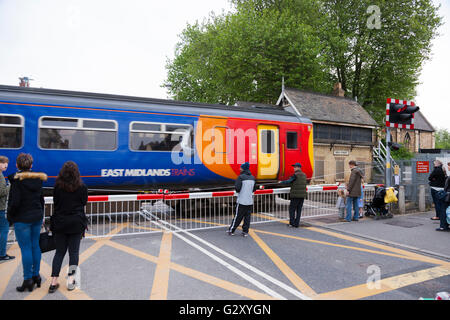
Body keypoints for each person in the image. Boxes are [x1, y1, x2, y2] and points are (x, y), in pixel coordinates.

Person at [7, 153, 47, 292]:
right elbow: (41, 199)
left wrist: (10, 216)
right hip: (36, 216)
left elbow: (15, 202)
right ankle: (37, 276)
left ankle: (27, 279)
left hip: (22, 219)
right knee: (35, 246)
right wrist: (42, 214)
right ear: (31, 165)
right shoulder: (38, 180)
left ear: (17, 165)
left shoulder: (16, 181)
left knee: (25, 249)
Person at [49, 161, 88, 293]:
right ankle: (71, 280)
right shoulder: (82, 187)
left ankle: (53, 282)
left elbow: (56, 203)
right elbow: (84, 202)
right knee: (74, 253)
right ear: (76, 173)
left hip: (60, 222)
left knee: (59, 252)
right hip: (76, 223)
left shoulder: (57, 187)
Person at [227, 162, 256, 237]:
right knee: (247, 217)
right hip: (249, 201)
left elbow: (237, 188)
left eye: (241, 167)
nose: (239, 169)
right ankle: (245, 232)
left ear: (243, 168)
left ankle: (231, 230)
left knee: (237, 216)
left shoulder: (241, 177)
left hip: (241, 201)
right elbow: (254, 189)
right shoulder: (253, 178)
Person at [279, 163, 307, 228]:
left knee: (292, 209)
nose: (294, 168)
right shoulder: (304, 175)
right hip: (302, 195)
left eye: (295, 167)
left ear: (298, 168)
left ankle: (292, 223)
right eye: (294, 167)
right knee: (299, 210)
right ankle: (296, 224)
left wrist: (281, 182)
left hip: (295, 195)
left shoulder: (295, 175)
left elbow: (289, 181)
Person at [0, 156, 14, 262]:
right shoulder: (0, 176)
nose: (6, 165)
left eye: (7, 163)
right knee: (4, 231)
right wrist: (10, 185)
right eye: (4, 163)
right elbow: (2, 192)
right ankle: (2, 254)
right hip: (1, 208)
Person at [436, 162, 450, 231]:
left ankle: (443, 226)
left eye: (449, 166)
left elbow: (447, 187)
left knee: (443, 210)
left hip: (448, 197)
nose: (448, 167)